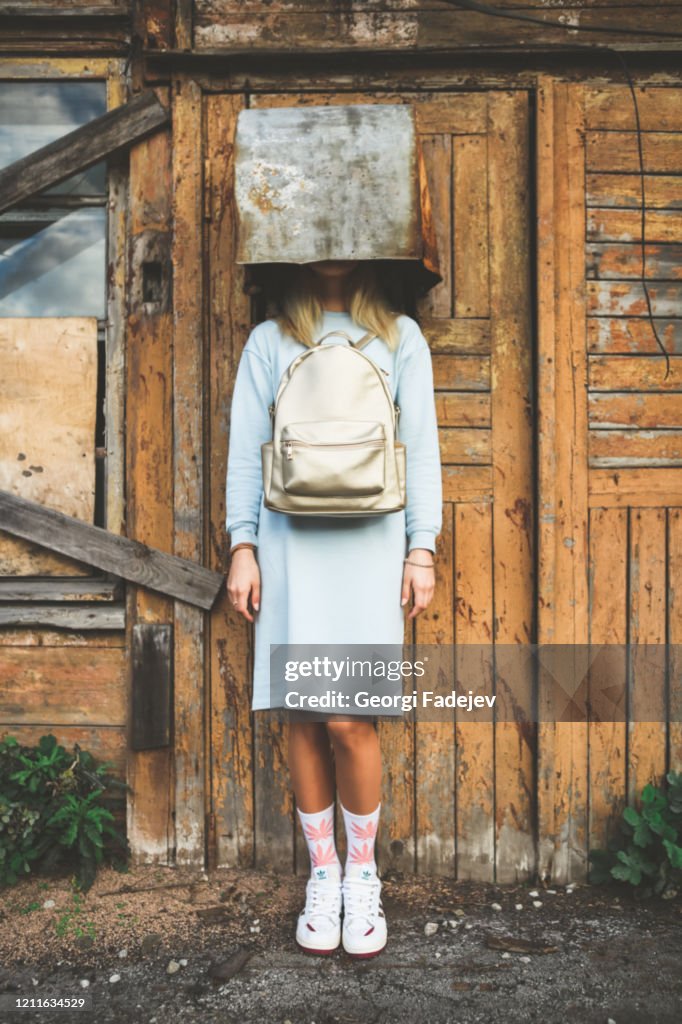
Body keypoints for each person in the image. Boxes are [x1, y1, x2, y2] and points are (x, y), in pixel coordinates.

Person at [225, 258, 442, 958]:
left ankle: (361, 875)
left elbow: (425, 450)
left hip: (372, 545)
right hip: (290, 543)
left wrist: (422, 549)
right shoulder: (270, 339)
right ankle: (324, 876)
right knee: (305, 712)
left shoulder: (400, 336)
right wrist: (242, 544)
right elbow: (244, 455)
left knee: (350, 719)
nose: (331, 248)